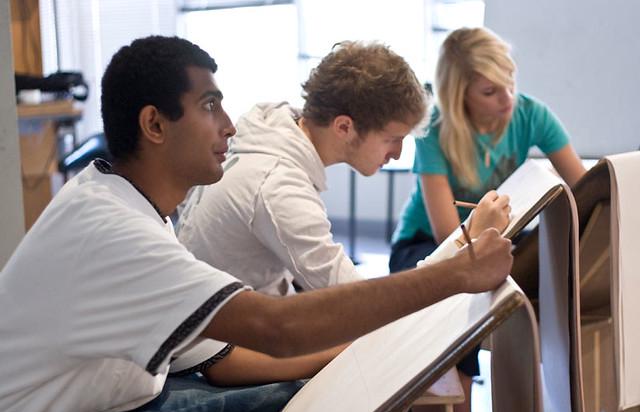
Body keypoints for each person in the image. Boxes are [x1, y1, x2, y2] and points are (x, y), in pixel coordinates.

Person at [0, 36, 513, 412]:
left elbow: (216, 353)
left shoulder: (123, 202)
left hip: (144, 388)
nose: (228, 125)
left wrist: (346, 354)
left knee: (346, 394)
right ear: (155, 125)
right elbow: (277, 327)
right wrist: (459, 272)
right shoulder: (117, 227)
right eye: (208, 107)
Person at [177, 40, 510, 297]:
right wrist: (469, 237)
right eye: (392, 139)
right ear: (344, 127)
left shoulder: (272, 136)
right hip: (218, 351)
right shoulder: (277, 187)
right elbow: (362, 302)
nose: (396, 154)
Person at [390, 27, 587, 412]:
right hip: (426, 245)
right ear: (459, 93)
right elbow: (450, 241)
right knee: (456, 301)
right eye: (490, 92)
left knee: (552, 281)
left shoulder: (531, 113)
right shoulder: (435, 129)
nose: (507, 100)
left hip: (496, 237)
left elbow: (586, 192)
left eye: (510, 84)